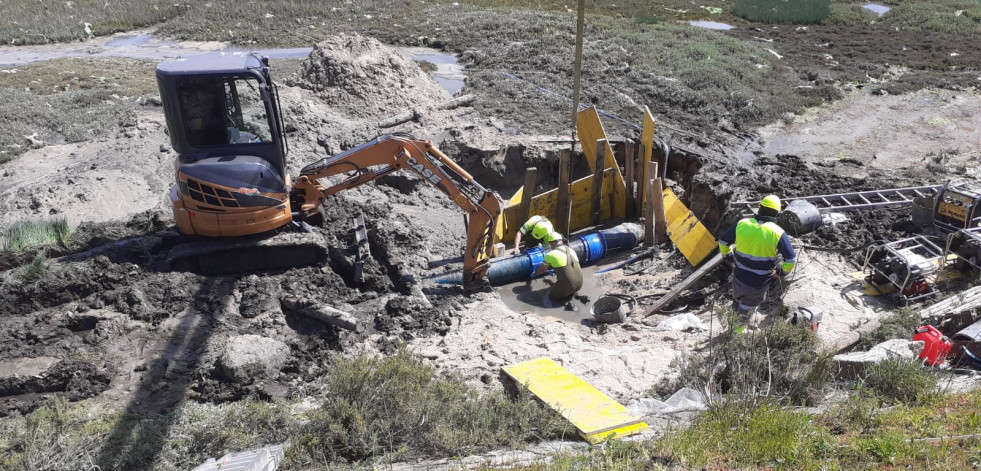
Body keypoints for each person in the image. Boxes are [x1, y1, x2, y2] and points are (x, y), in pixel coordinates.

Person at [717, 194, 797, 333]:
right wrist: (780, 272)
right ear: (776, 213)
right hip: (758, 283)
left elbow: (723, 242)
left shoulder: (742, 223)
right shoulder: (777, 232)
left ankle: (733, 324)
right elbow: (790, 260)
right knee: (747, 307)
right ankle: (736, 334)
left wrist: (729, 259)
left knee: (737, 301)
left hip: (739, 276)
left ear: (759, 208)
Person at [534, 232, 583, 301]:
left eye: (550, 244)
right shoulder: (571, 250)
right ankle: (572, 294)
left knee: (552, 297)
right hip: (579, 285)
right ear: (561, 241)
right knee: (566, 286)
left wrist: (535, 274)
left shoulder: (550, 255)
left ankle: (565, 302)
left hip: (568, 286)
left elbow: (542, 270)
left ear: (552, 243)